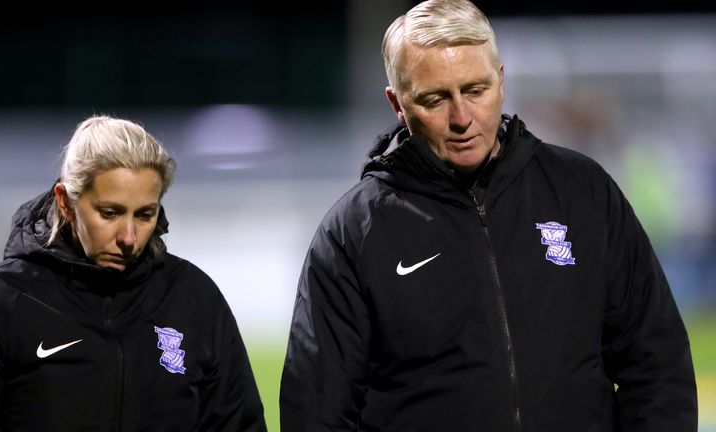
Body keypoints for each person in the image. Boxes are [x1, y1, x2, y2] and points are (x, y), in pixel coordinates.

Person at [280, 1, 698, 430]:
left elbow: (657, 364)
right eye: (435, 98)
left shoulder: (582, 192)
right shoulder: (354, 233)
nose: (462, 117)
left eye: (475, 90)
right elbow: (316, 411)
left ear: (500, 80)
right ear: (397, 103)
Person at [0, 115, 267, 431]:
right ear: (65, 202)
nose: (128, 237)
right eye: (109, 213)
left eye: (145, 214)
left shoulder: (194, 300)